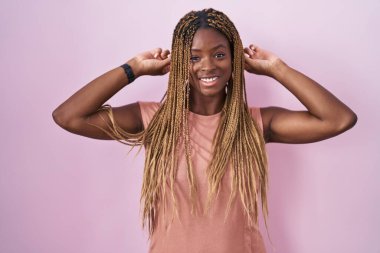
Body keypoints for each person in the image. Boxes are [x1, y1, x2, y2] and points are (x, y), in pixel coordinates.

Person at [52, 8, 357, 253]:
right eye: (194, 56)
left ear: (235, 58)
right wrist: (133, 67)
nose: (207, 65)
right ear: (181, 61)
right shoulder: (155, 121)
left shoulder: (255, 124)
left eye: (220, 54)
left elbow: (338, 119)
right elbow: (69, 116)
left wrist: (277, 68)